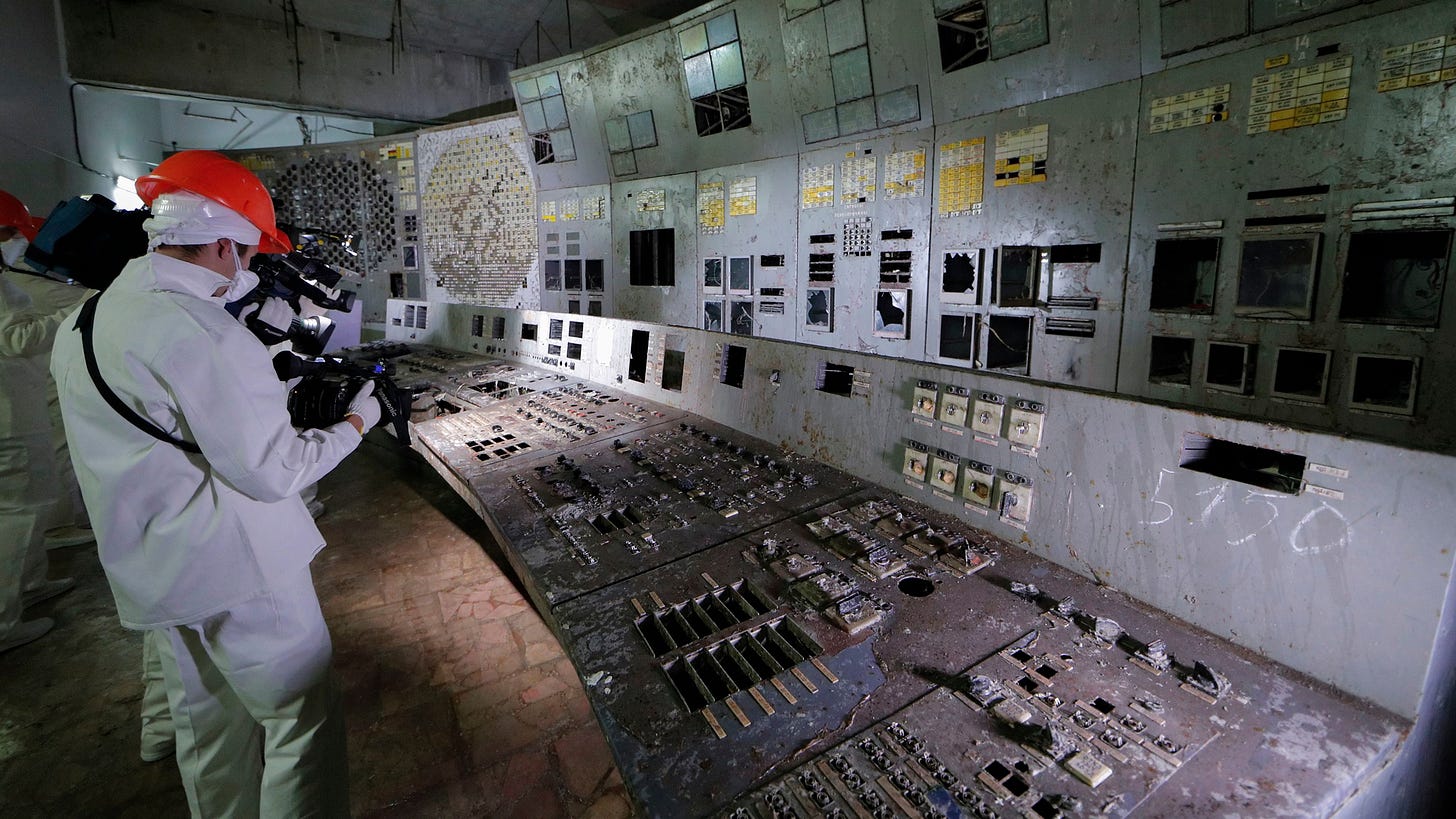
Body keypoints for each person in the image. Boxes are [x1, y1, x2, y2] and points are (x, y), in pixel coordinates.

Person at [50, 151, 379, 817]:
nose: (250, 268)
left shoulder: (87, 318)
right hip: (239, 569)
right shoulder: (201, 330)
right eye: (250, 254)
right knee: (300, 722)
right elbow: (274, 468)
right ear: (224, 243)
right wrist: (356, 421)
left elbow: (163, 427)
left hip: (156, 572)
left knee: (210, 734)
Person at [1, 189, 77, 654]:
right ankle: (4, 622)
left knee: (25, 512)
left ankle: (27, 585)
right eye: (9, 232)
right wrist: (77, 311)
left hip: (18, 408)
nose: (16, 240)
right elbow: (16, 338)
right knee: (15, 515)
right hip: (8, 419)